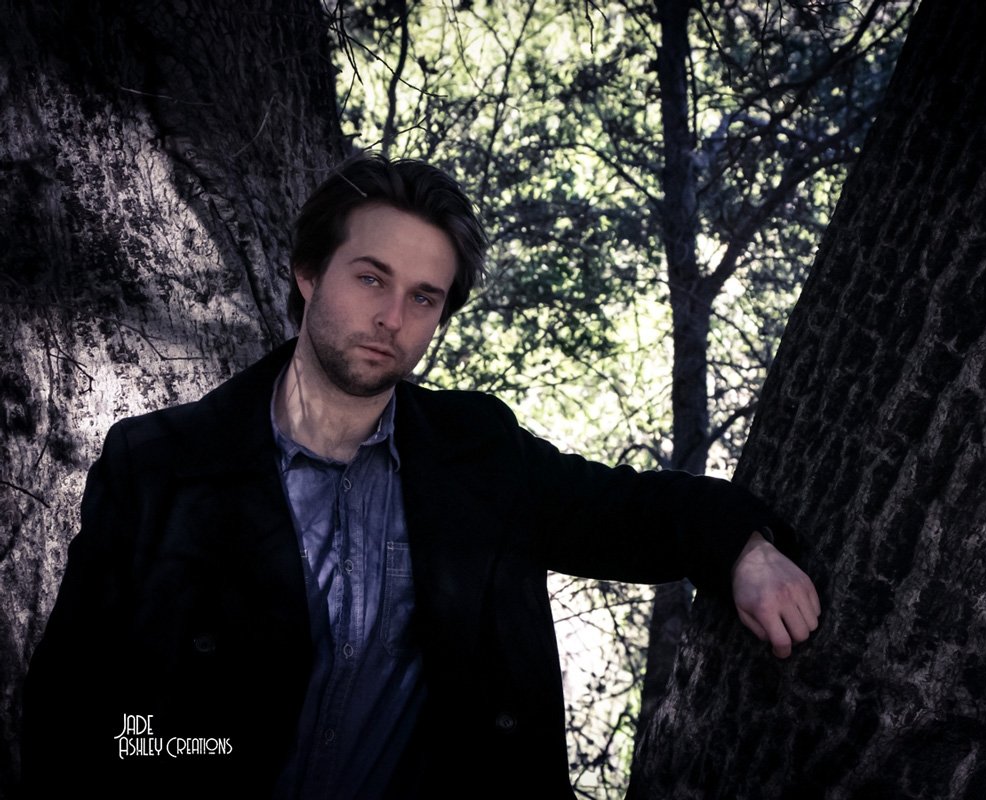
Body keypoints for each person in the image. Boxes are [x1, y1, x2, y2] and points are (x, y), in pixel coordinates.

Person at [21, 155, 820, 798]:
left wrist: (742, 548)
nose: (392, 318)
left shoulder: (477, 456)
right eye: (370, 278)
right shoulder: (160, 465)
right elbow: (70, 712)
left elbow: (628, 510)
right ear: (308, 273)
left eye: (423, 297)